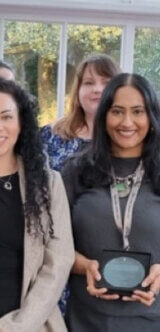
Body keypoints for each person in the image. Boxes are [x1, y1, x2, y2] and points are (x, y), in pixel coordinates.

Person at [62, 73, 160, 332]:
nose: (127, 122)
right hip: (88, 318)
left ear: (151, 117)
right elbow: (55, 246)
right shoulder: (76, 170)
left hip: (159, 318)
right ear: (103, 117)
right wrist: (85, 266)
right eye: (117, 111)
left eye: (138, 112)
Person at [0, 79, 74, 331]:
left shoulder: (47, 183)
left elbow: (59, 261)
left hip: (31, 324)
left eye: (6, 117)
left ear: (21, 122)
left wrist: (18, 326)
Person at [41, 53, 120, 171]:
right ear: (78, 90)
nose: (97, 89)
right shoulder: (51, 135)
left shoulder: (129, 136)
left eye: (106, 83)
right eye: (89, 83)